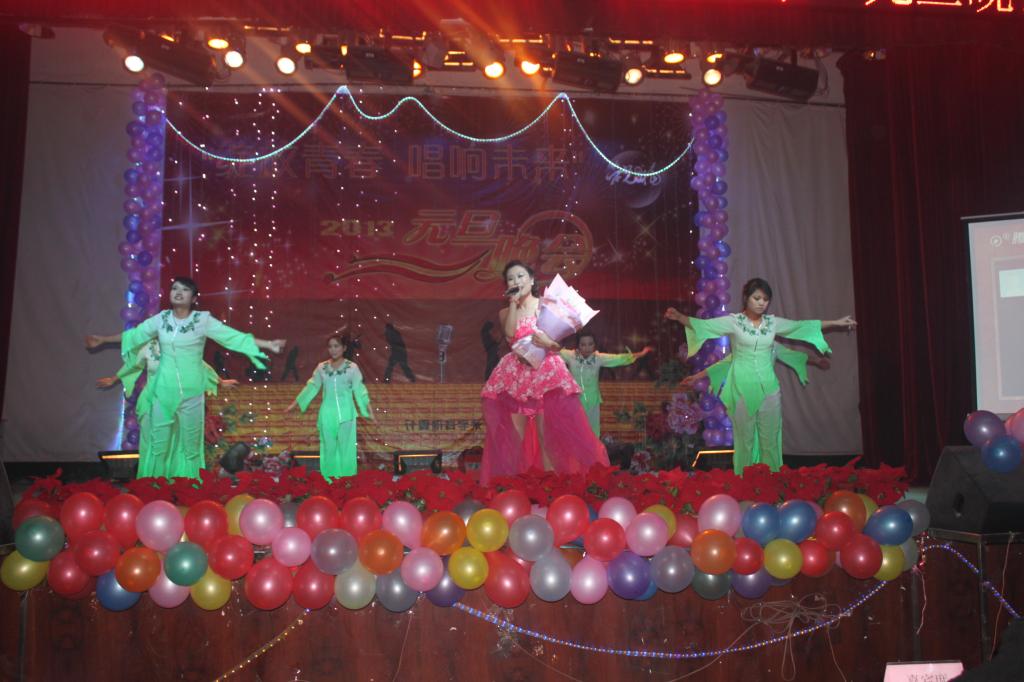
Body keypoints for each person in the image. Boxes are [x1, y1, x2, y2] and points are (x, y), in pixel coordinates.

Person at [90, 277, 285, 478]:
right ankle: (153, 485)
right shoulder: (161, 319)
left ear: (194, 298)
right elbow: (135, 335)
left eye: (184, 289)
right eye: (174, 288)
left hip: (191, 394)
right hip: (162, 392)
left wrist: (268, 344)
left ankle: (189, 484)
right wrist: (104, 339)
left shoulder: (202, 320)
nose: (178, 292)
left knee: (191, 447)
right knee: (158, 445)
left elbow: (232, 337)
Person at [665, 277, 855, 474]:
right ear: (746, 298)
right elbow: (705, 327)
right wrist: (680, 317)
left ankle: (771, 481)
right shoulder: (734, 322)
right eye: (757, 298)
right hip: (742, 389)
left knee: (770, 440)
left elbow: (801, 327)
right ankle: (744, 481)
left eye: (765, 299)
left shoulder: (772, 323)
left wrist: (836, 323)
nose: (761, 303)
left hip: (769, 390)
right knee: (744, 441)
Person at [480, 260, 609, 483]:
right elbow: (510, 334)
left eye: (520, 276)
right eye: (511, 278)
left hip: (546, 373)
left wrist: (548, 343)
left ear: (531, 280)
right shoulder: (505, 312)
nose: (516, 281)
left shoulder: (546, 306)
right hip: (515, 374)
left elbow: (558, 346)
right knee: (513, 436)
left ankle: (550, 485)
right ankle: (509, 485)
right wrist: (513, 303)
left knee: (547, 434)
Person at [94, 339, 238, 478]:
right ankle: (152, 478)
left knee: (175, 443)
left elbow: (201, 365)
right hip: (152, 402)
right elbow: (132, 366)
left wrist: (221, 381)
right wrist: (113, 379)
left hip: (175, 403)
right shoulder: (148, 348)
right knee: (152, 442)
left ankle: (176, 478)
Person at [285, 334, 372, 479]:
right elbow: (312, 386)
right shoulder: (321, 367)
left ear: (344, 348)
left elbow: (360, 390)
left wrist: (368, 410)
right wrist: (295, 404)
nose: (333, 350)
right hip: (327, 414)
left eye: (336, 346)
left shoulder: (352, 368)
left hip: (347, 414)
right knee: (328, 448)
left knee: (346, 449)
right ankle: (329, 481)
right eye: (330, 346)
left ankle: (347, 481)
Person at [559, 332, 654, 436]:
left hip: (592, 400)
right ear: (578, 346)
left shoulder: (599, 358)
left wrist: (641, 353)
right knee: (573, 431)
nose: (587, 348)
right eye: (583, 345)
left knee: (592, 433)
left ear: (594, 345)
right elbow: (554, 351)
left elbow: (619, 358)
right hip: (574, 401)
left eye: (590, 344)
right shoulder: (570, 355)